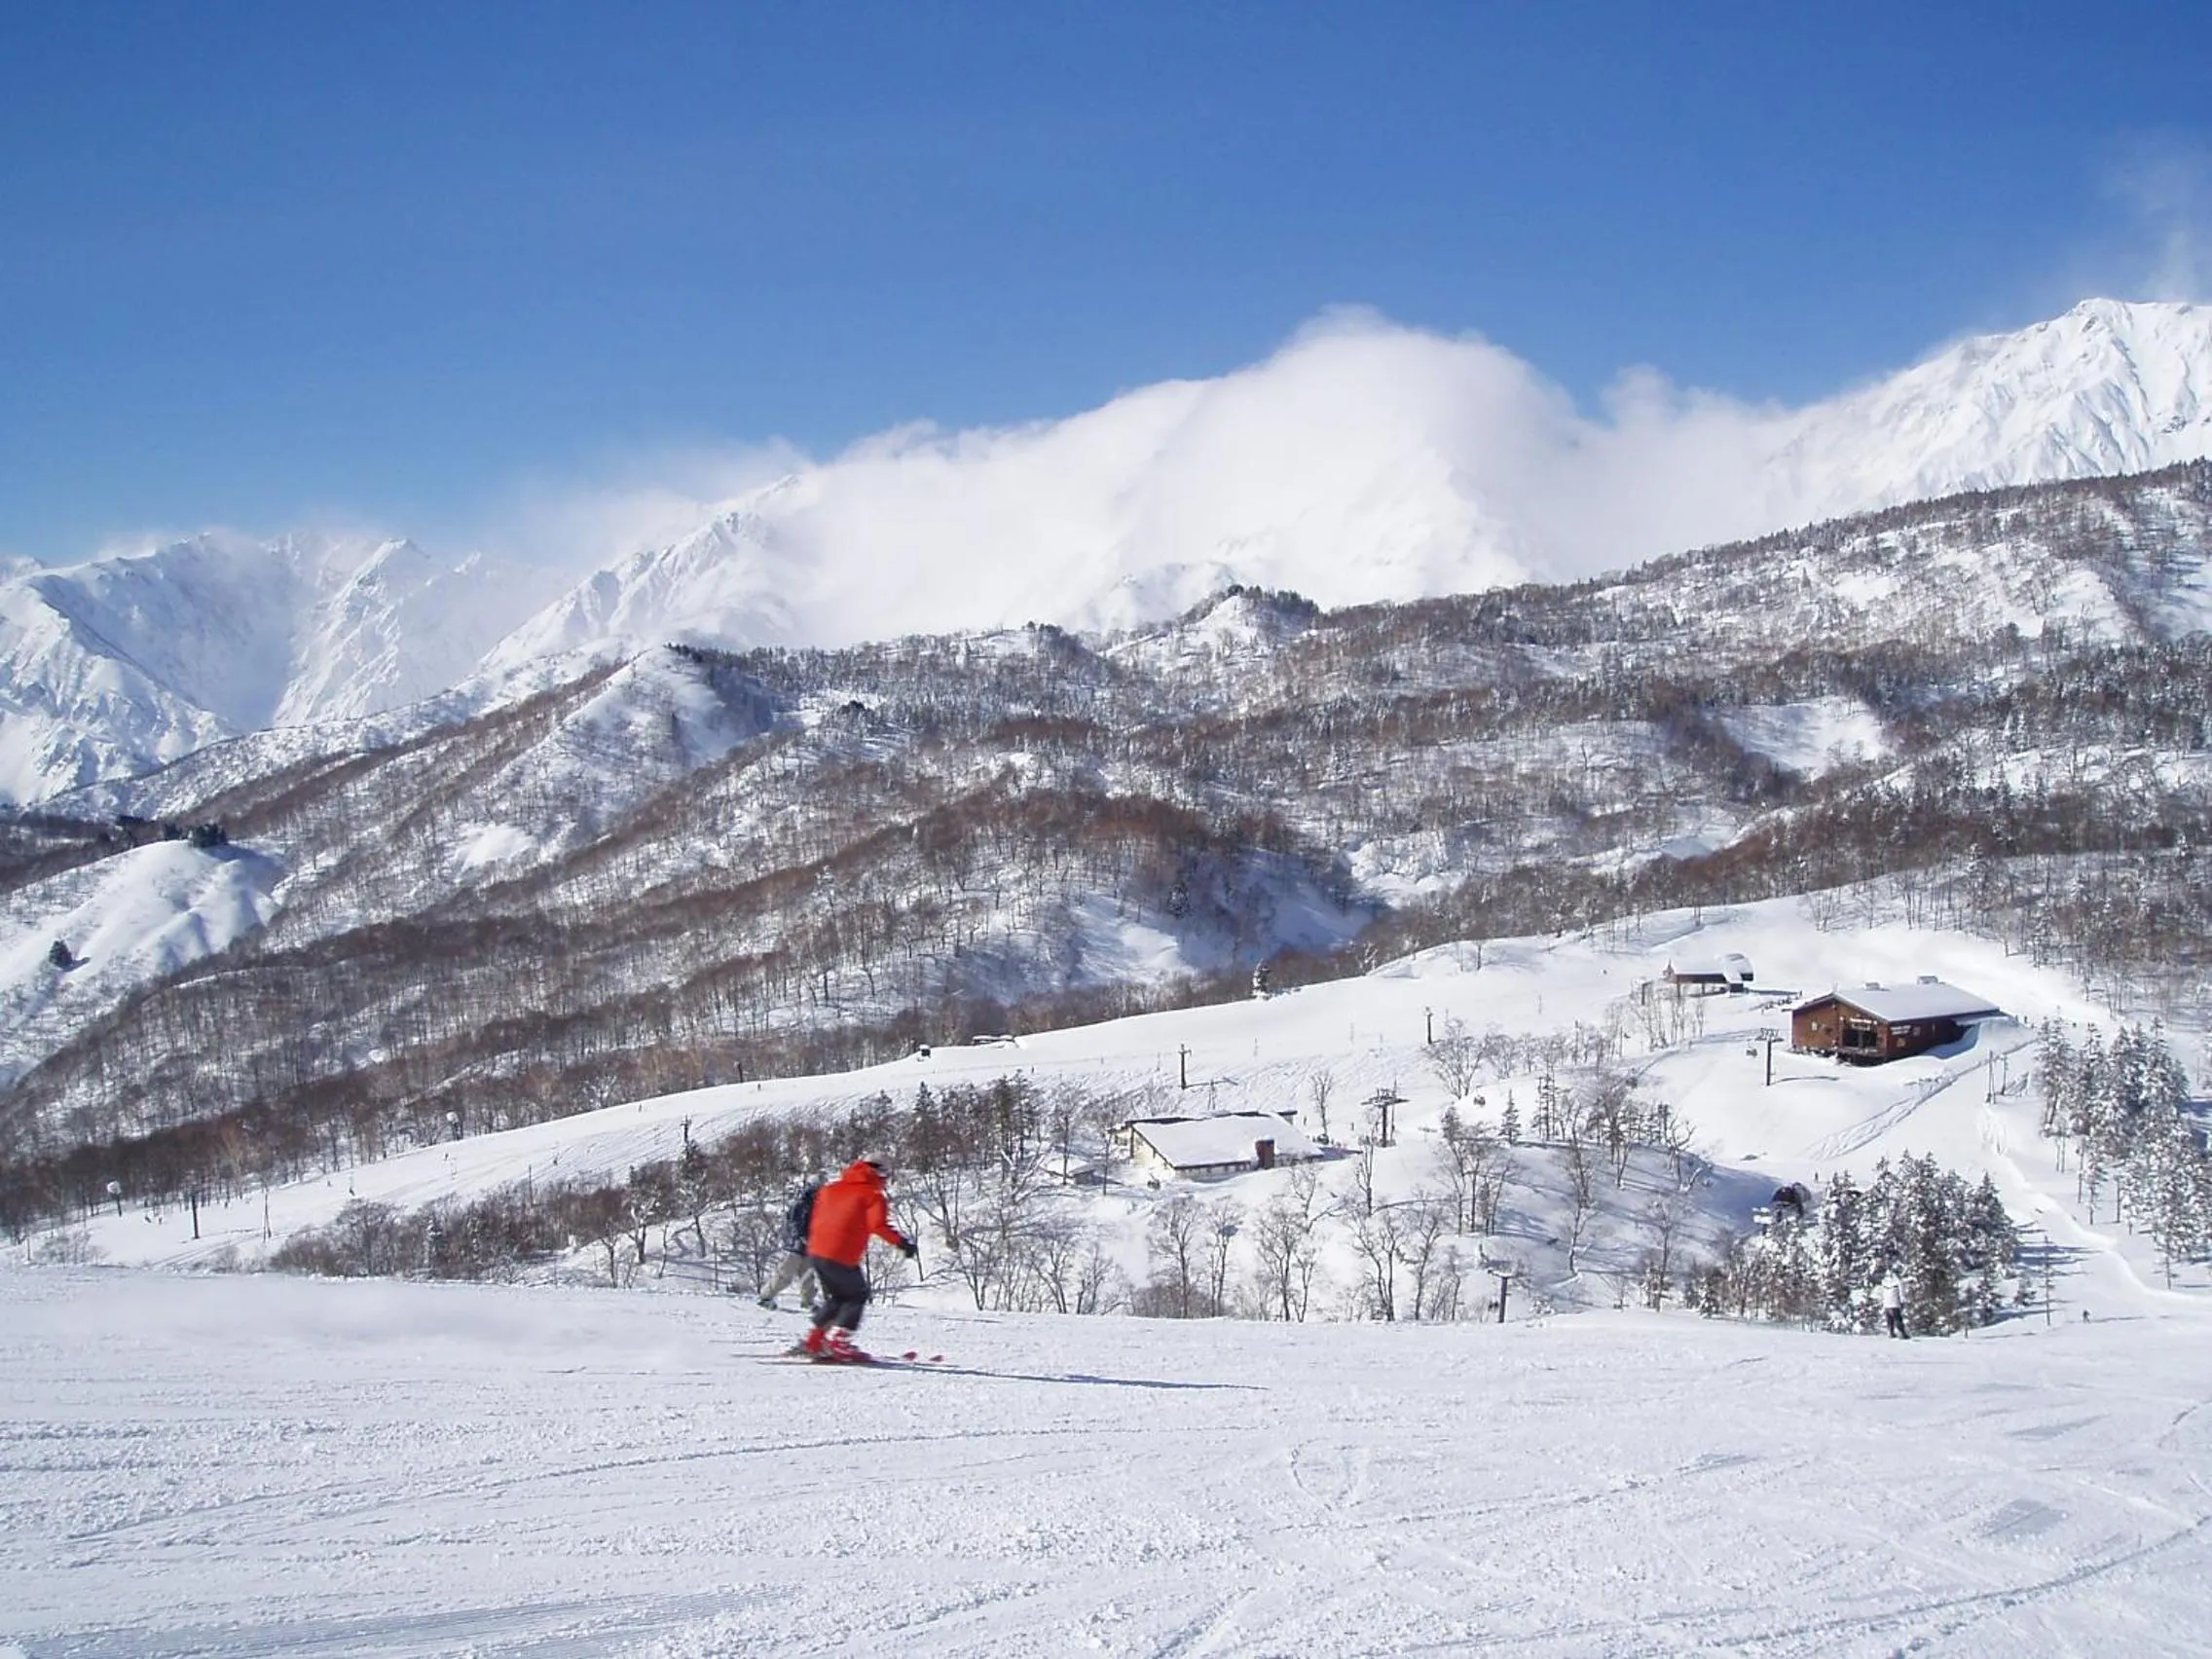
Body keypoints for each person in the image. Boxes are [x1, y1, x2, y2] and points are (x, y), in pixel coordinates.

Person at [800, 1159, 918, 1362]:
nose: (887, 1181)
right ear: (879, 1174)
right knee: (857, 1295)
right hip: (841, 1253)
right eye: (886, 1176)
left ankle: (815, 1340)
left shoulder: (831, 1189)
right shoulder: (872, 1196)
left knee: (838, 1298)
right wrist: (903, 1243)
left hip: (817, 1250)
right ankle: (839, 1342)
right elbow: (878, 1226)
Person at [755, 1180, 824, 1310]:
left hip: (808, 1247)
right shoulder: (800, 1205)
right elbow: (794, 1224)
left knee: (808, 1275)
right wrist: (800, 1236)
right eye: (817, 1192)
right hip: (795, 1246)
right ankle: (765, 1297)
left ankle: (808, 1301)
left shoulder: (816, 1207)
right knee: (785, 1273)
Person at [1879, 1267, 1908, 1339]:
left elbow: (1882, 1293)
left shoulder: (1884, 1282)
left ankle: (1891, 1333)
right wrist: (1903, 1302)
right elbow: (1901, 1293)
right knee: (1898, 1319)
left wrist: (1882, 1301)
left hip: (1886, 1304)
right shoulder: (1899, 1282)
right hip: (1895, 1303)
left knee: (1890, 1320)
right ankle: (1902, 1333)